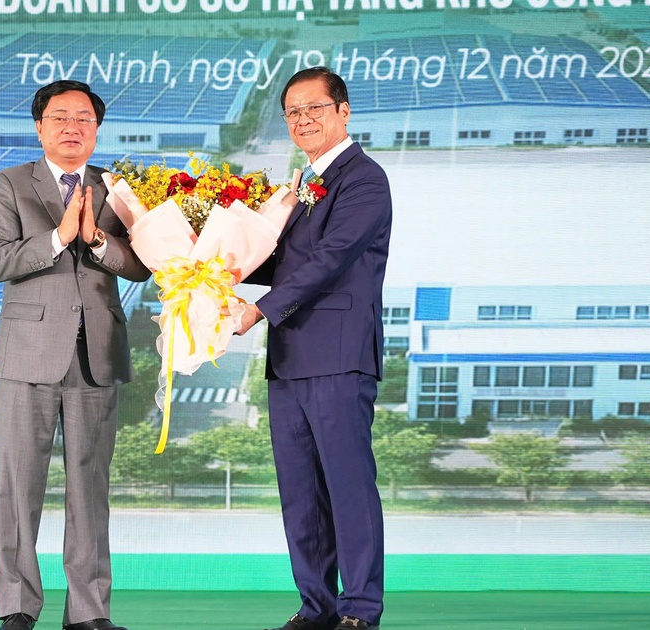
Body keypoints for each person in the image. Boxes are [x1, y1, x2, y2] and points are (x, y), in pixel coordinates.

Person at [0, 80, 150, 630]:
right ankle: (17, 606)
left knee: (90, 487)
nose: (72, 127)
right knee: (18, 486)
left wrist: (97, 240)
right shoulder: (9, 183)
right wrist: (59, 236)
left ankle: (88, 613)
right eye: (60, 117)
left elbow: (142, 265)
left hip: (96, 354)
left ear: (97, 129)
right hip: (28, 354)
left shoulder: (118, 188)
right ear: (40, 127)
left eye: (84, 118)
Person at [237, 66, 393, 630]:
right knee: (300, 493)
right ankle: (317, 605)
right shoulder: (302, 182)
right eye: (293, 112)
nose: (303, 119)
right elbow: (285, 261)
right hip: (290, 359)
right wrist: (208, 264)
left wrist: (259, 309)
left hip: (338, 355)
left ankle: (360, 609)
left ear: (343, 111)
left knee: (347, 487)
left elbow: (331, 258)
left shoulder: (364, 179)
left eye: (315, 108)